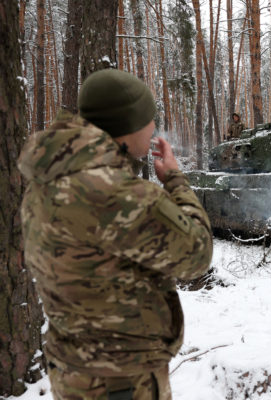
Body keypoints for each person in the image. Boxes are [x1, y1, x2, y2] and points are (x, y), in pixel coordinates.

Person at [17, 69, 213, 400]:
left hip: (76, 370)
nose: (153, 129)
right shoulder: (115, 195)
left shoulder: (50, 178)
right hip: (119, 380)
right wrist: (176, 181)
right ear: (126, 128)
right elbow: (197, 254)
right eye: (148, 120)